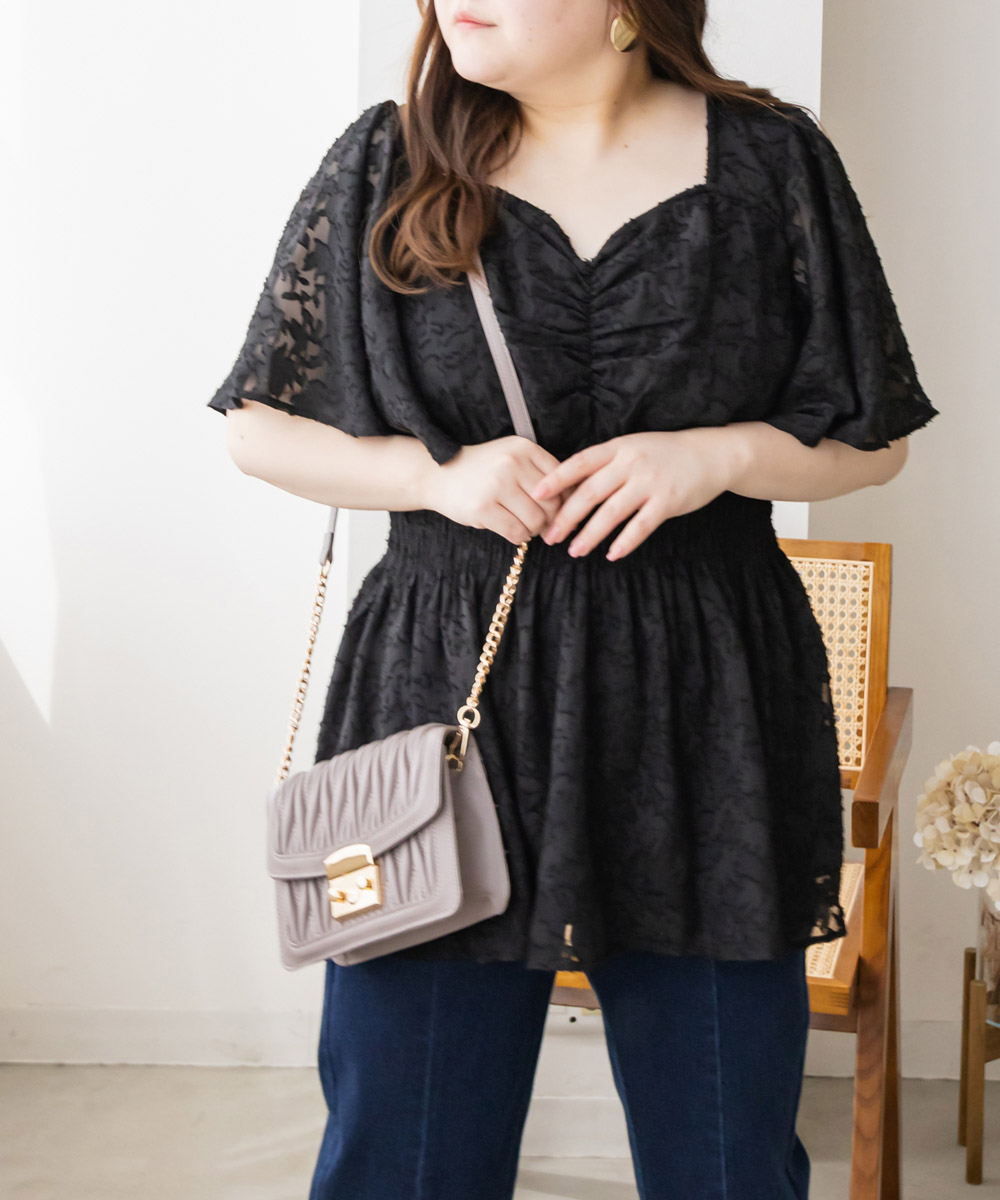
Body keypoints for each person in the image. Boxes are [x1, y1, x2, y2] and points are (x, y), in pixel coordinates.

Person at [206, 3, 939, 1197]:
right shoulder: (389, 158)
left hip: (705, 705)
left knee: (726, 1158)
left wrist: (718, 456)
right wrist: (435, 479)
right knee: (405, 1147)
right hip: (443, 699)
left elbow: (874, 436)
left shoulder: (772, 163)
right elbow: (259, 428)